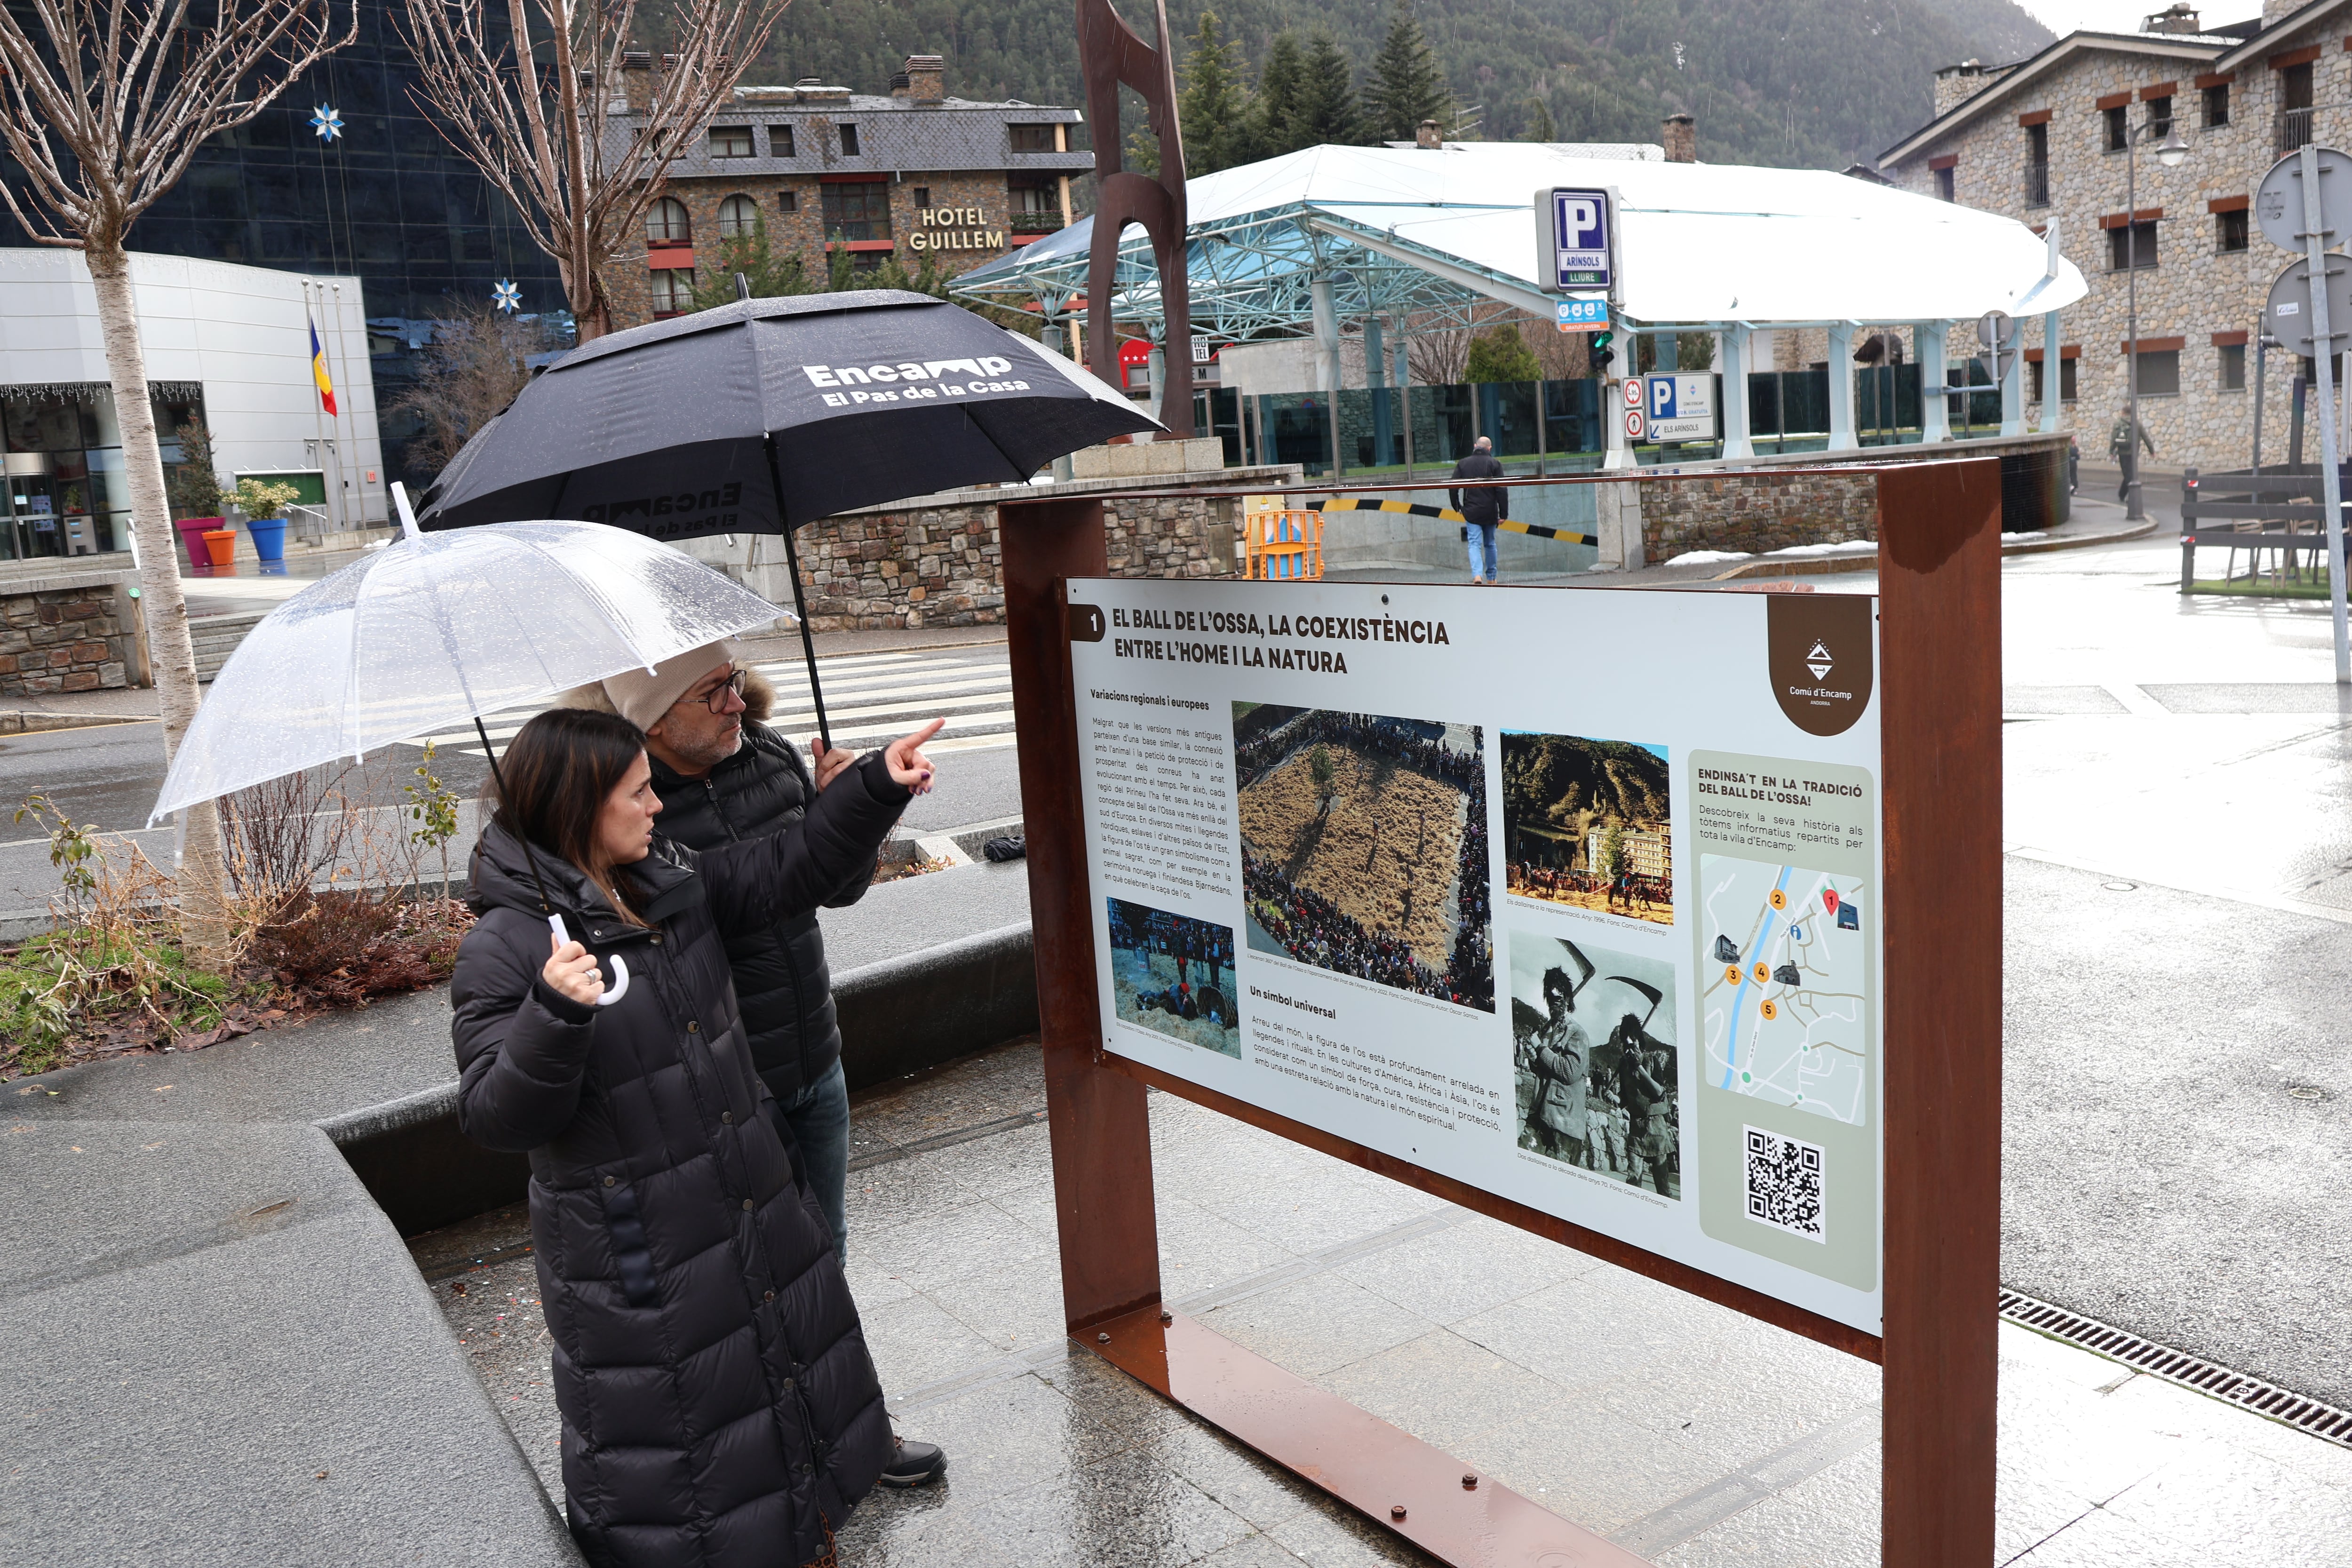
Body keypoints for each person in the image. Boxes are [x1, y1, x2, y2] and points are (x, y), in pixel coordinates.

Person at [449, 704, 942, 1564]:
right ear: (579, 805)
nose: (657, 806)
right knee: (692, 1456)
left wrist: (872, 787)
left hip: (742, 1193)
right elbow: (497, 1114)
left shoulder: (662, 876)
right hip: (641, 1249)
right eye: (638, 793)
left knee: (782, 1394)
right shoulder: (507, 947)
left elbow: (782, 869)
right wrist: (553, 1012)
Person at [558, 642, 948, 1490]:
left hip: (814, 1053)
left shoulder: (768, 754)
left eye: (734, 681)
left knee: (823, 1260)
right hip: (729, 1085)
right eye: (712, 692)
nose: (737, 702)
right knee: (747, 1288)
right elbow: (757, 881)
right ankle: (778, 1454)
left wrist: (847, 815)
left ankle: (846, 1430)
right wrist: (858, 802)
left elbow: (831, 886)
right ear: (652, 720)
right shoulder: (625, 812)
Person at [1449, 435, 1509, 584]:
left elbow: (1452, 487)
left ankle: (1477, 575)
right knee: (1490, 544)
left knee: (1474, 544)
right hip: (1490, 511)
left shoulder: (1463, 463)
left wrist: (1457, 507)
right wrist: (1503, 513)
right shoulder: (1495, 464)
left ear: (1475, 446)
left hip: (1471, 511)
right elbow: (1501, 490)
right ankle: (1492, 577)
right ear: (1490, 448)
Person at [2109, 410, 2154, 503]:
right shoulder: (2137, 424)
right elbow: (2146, 438)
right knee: (2130, 474)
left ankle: (2126, 495)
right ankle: (2124, 495)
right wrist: (2151, 451)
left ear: (2123, 413)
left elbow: (2114, 438)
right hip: (2133, 453)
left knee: (2128, 474)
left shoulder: (2118, 423)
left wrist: (2111, 451)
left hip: (2122, 453)